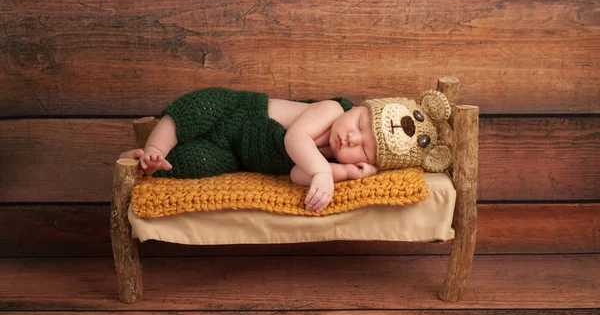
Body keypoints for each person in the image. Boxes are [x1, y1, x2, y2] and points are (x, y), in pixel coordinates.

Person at [121, 87, 448, 212]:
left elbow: (295, 173)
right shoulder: (332, 110)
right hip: (237, 114)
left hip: (236, 155)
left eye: (364, 150)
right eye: (360, 127)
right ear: (358, 108)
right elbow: (295, 141)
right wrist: (323, 171)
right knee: (193, 111)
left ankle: (152, 162)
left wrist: (344, 172)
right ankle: (155, 144)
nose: (351, 140)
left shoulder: (335, 157)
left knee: (194, 164)